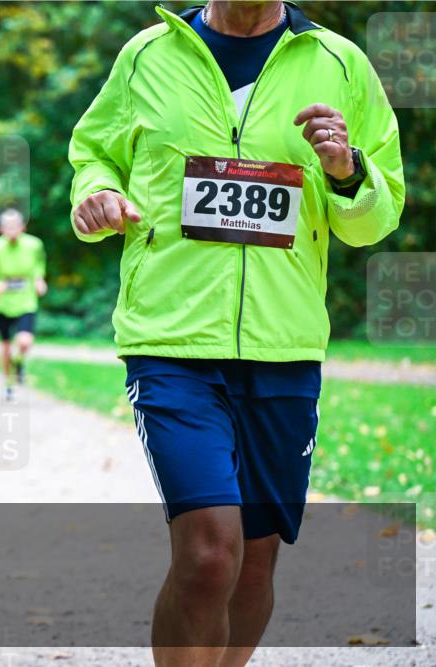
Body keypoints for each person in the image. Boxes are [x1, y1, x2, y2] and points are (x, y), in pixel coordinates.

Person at [68, 2, 404, 666]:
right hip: (172, 338)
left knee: (253, 560)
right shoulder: (146, 55)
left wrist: (347, 171)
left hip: (284, 345)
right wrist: (99, 194)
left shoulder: (339, 63)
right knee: (207, 552)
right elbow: (95, 154)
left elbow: (376, 217)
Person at [0, 208, 47, 400]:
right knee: (6, 346)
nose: (11, 230)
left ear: (22, 227)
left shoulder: (34, 245)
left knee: (25, 341)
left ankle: (19, 361)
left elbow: (39, 265)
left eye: (15, 226)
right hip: (2, 303)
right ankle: (9, 383)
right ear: (1, 229)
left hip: (26, 301)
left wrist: (39, 279)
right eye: (7, 226)